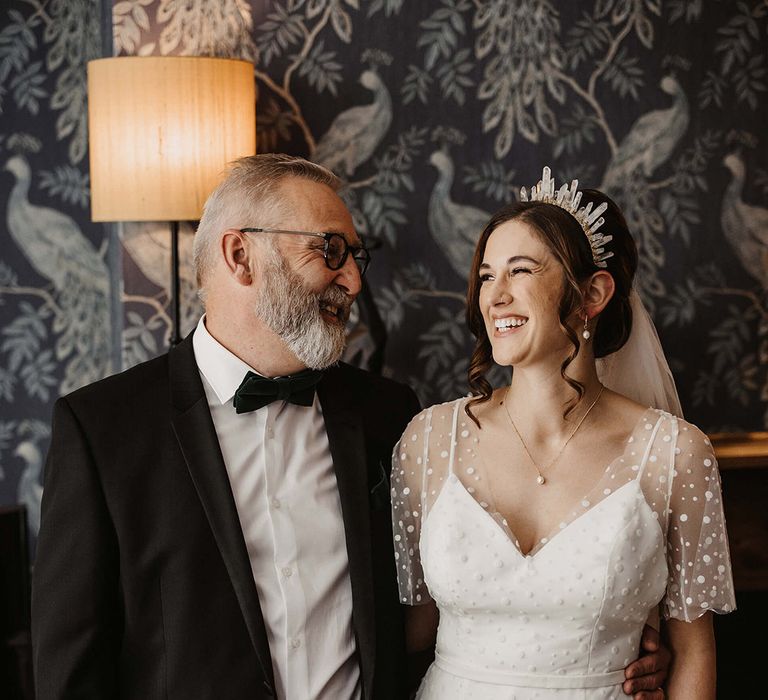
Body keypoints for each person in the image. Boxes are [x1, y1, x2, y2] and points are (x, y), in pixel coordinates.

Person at [31, 154, 422, 699]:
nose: (353, 280)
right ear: (241, 256)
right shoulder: (102, 431)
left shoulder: (390, 414)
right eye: (330, 250)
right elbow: (71, 672)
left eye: (356, 257)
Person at [391, 167, 735, 699]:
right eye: (485, 276)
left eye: (520, 271)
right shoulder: (428, 440)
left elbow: (694, 652)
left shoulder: (675, 453)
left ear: (592, 293)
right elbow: (403, 633)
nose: (495, 296)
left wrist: (660, 657)